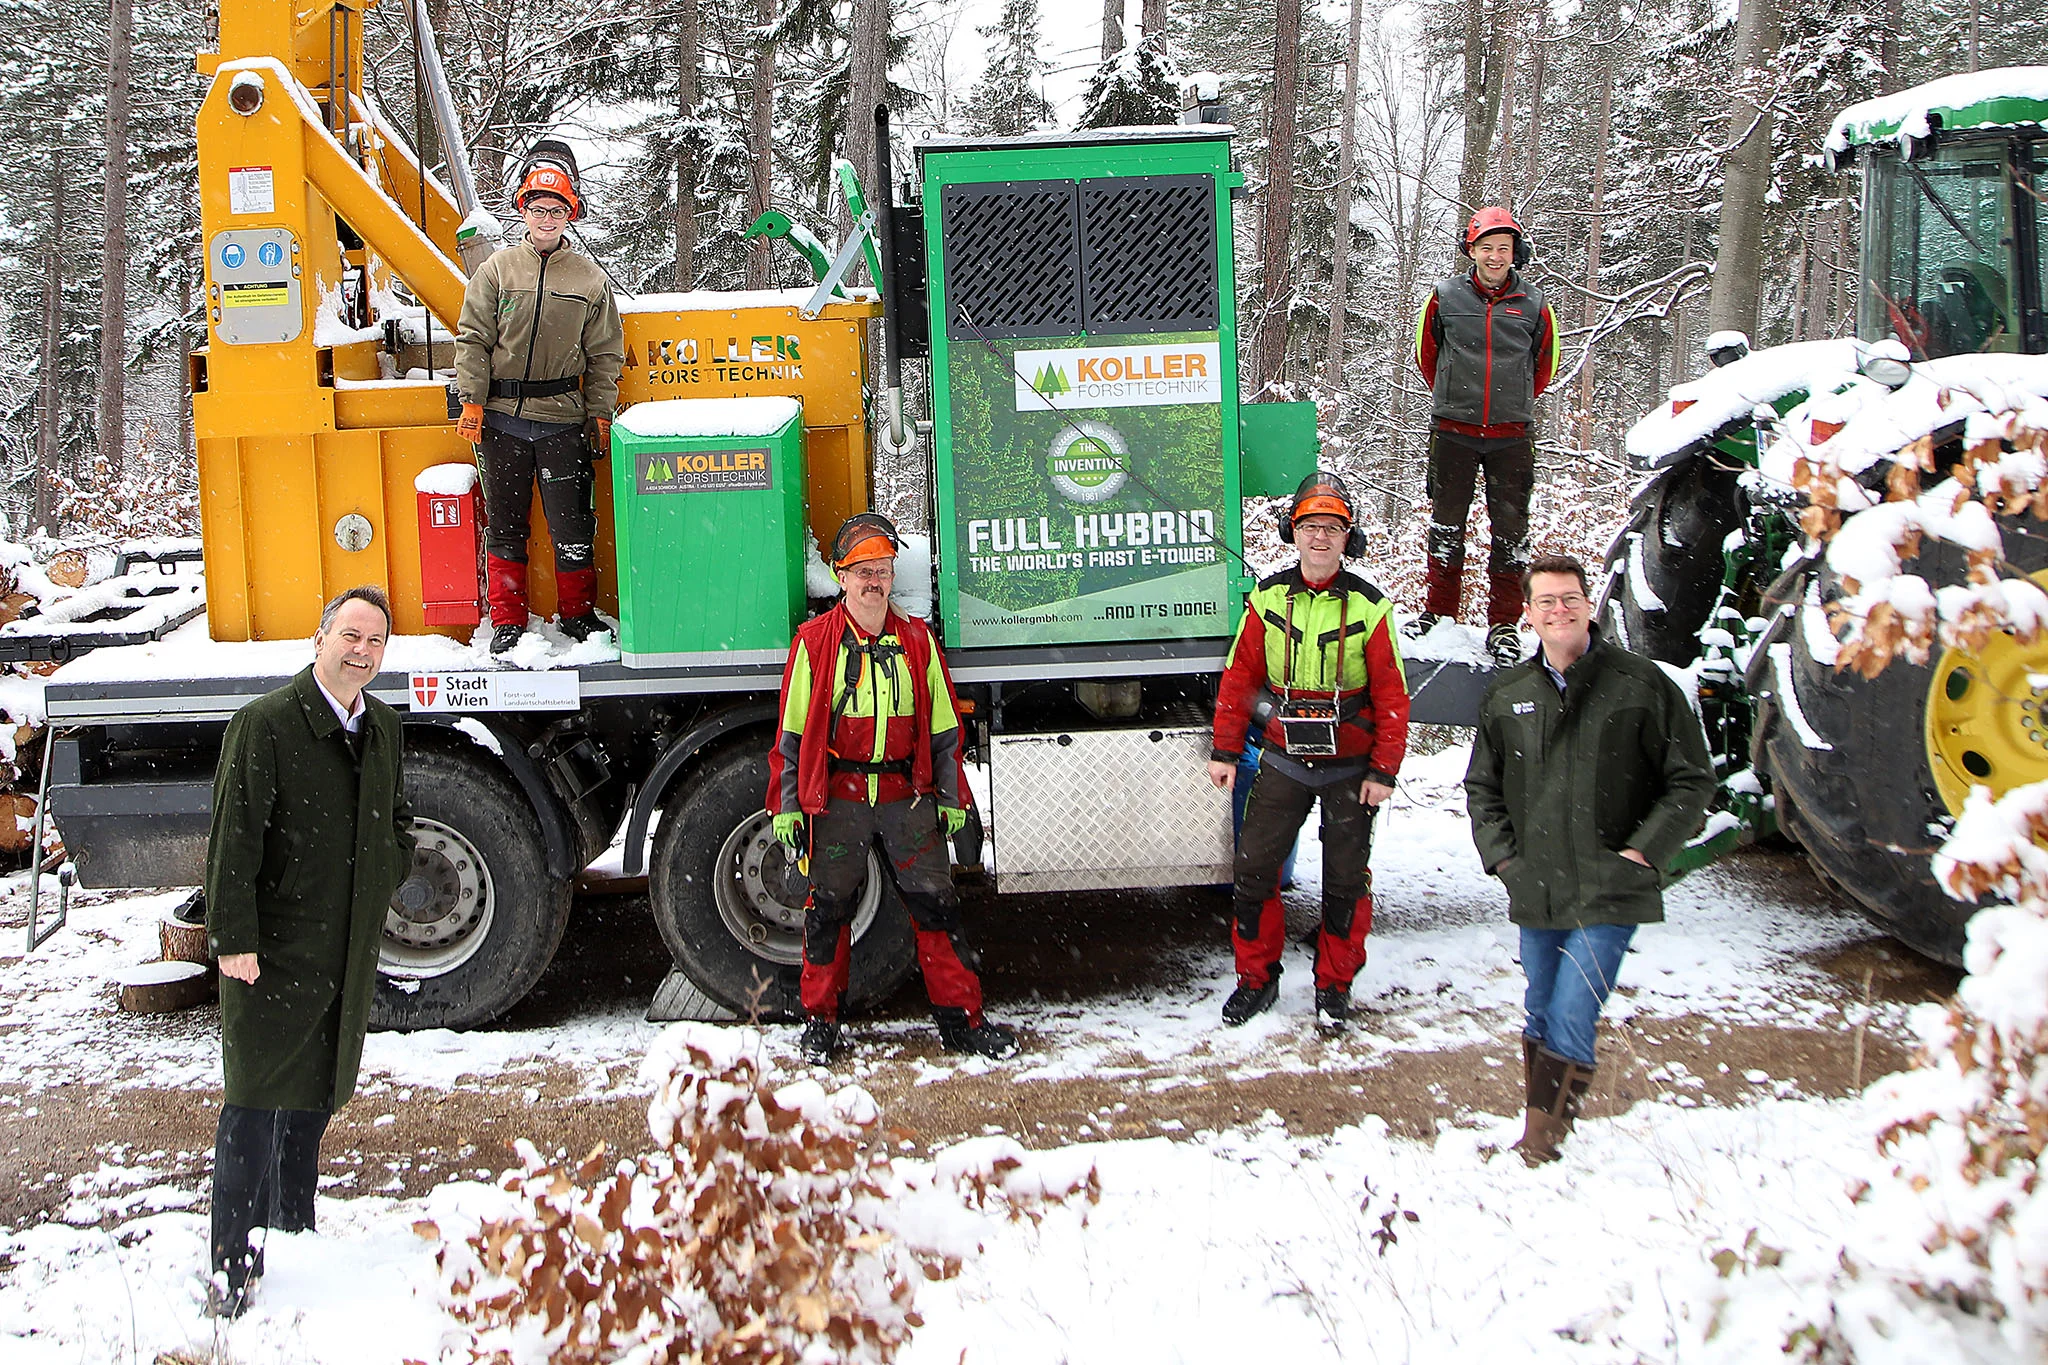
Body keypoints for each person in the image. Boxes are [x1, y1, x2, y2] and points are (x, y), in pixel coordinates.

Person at [203, 586, 416, 1315]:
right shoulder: (264, 725)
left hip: (344, 947)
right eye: (350, 635)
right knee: (255, 1101)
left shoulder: (381, 725)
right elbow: (233, 840)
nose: (361, 651)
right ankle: (234, 1263)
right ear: (319, 636)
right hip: (274, 947)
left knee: (315, 1096)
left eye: (375, 642)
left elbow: (398, 817)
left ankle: (294, 1228)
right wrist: (233, 939)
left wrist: (388, 865)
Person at [1464, 553, 1714, 1164]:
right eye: (1545, 601)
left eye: (1570, 598)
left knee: (1574, 1008)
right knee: (1541, 1006)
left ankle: (1541, 1144)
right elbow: (1482, 789)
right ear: (1527, 614)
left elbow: (1692, 781)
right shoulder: (1509, 694)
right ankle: (1540, 1123)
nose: (1559, 610)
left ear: (1589, 606)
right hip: (1537, 884)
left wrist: (1642, 854)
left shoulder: (1641, 684)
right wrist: (1506, 862)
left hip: (1611, 886)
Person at [766, 513, 1018, 1065]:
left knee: (937, 909)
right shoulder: (815, 643)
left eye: (882, 570)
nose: (874, 581)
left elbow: (946, 730)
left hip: (909, 800)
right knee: (827, 912)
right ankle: (821, 1025)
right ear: (840, 576)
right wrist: (787, 804)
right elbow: (791, 733)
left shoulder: (918, 642)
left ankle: (963, 1023)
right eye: (863, 572)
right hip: (840, 802)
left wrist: (954, 798)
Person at [1206, 472, 1410, 1032]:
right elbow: (1239, 677)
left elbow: (1393, 694)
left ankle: (1335, 986)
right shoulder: (1266, 598)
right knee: (1253, 872)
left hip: (1351, 767)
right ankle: (1256, 979)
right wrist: (1226, 750)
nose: (1320, 538)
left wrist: (1384, 770)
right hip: (1282, 759)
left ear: (1350, 538)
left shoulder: (1372, 608)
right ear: (1291, 533)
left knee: (1346, 880)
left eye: (1333, 528)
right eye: (1310, 526)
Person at [455, 142, 626, 655]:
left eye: (556, 209)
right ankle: (507, 620)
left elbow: (605, 355)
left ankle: (576, 615)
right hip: (502, 421)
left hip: (562, 421)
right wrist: (472, 401)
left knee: (571, 525)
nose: (545, 217)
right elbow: (473, 339)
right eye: (537, 207)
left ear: (570, 213)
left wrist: (599, 414)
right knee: (507, 526)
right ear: (523, 210)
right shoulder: (498, 270)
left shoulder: (590, 279)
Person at [1410, 207, 1558, 668]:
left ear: (1516, 253)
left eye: (1504, 248)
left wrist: (1506, 403)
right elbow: (1427, 355)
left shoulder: (1534, 304)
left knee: (1511, 532)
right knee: (1446, 523)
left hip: (1512, 436)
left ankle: (1505, 625)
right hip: (1453, 431)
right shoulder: (1444, 296)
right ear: (1470, 250)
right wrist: (1460, 399)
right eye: (1486, 247)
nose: (1495, 256)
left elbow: (1543, 367)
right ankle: (1438, 612)